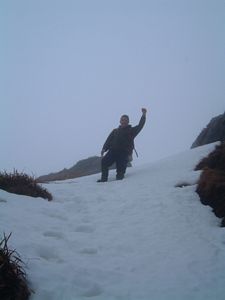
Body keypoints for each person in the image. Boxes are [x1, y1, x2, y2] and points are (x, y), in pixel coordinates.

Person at [97, 108, 147, 182]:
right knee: (104, 162)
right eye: (122, 120)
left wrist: (144, 114)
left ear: (128, 122)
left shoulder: (131, 131)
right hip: (112, 152)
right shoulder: (115, 131)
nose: (123, 121)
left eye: (125, 120)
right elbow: (108, 140)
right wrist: (104, 149)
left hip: (123, 154)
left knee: (120, 174)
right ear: (120, 121)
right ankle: (103, 179)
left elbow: (140, 126)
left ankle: (119, 181)